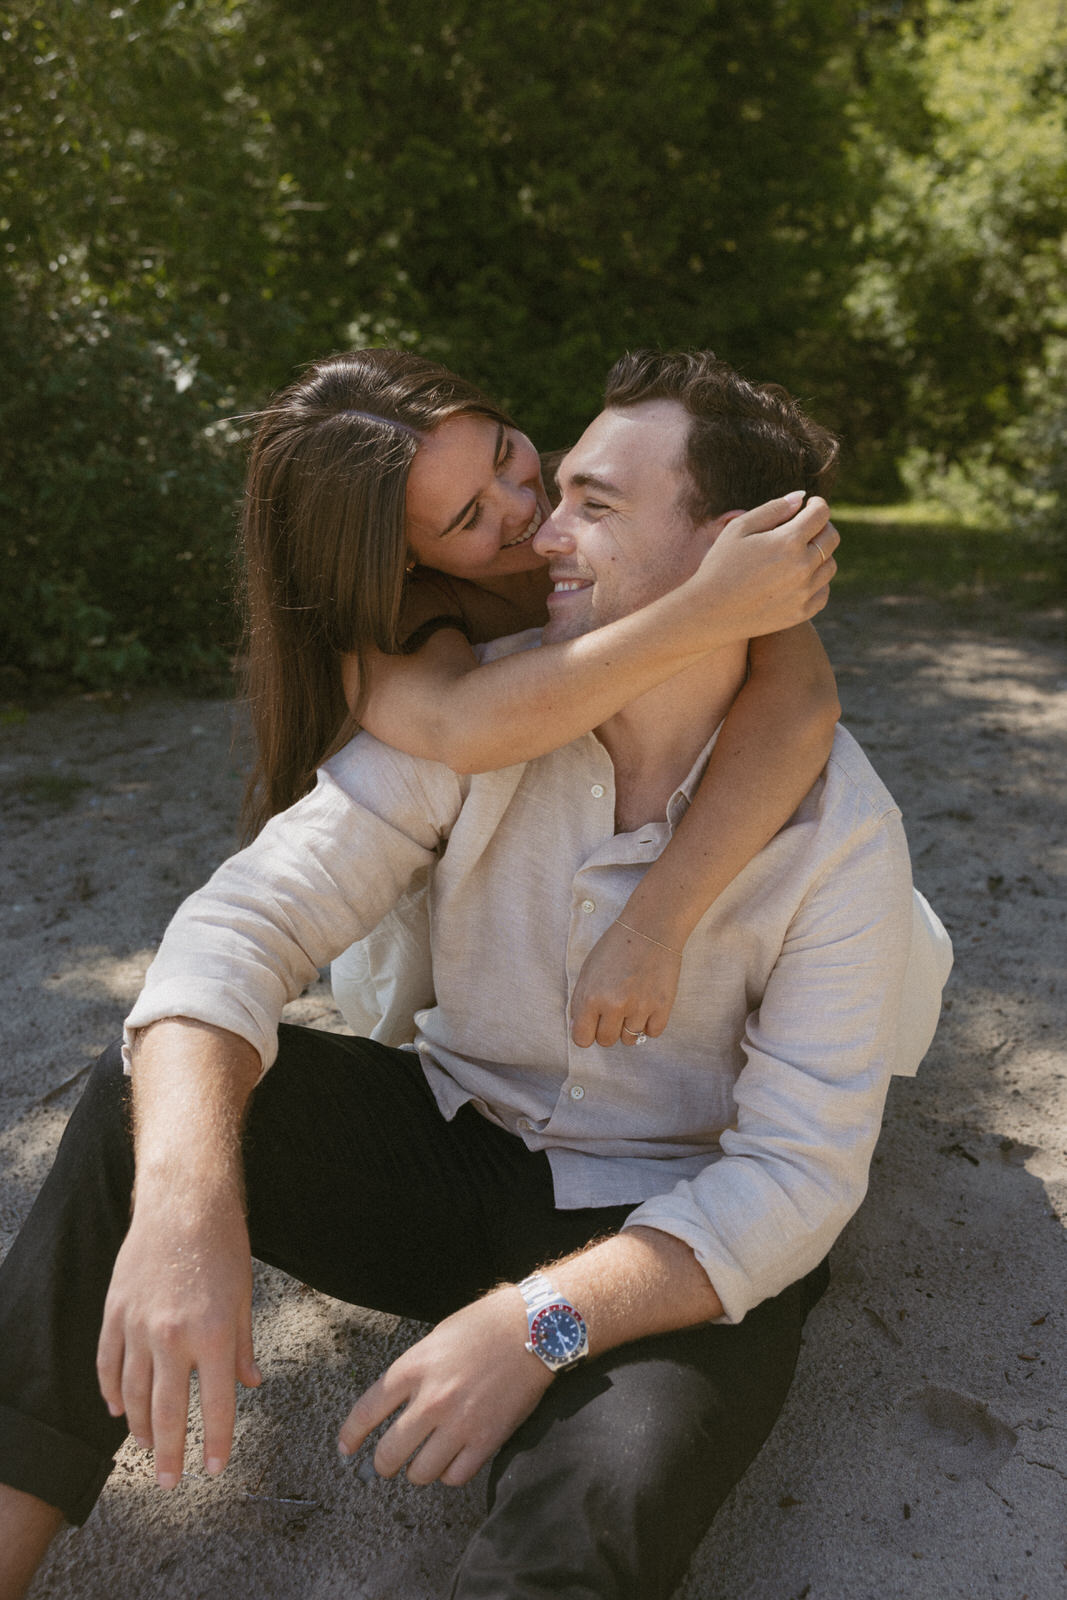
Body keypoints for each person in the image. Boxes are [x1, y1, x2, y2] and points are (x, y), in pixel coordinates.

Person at [0, 349, 951, 1600]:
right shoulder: (461, 698)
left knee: (602, 1499)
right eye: (537, 494)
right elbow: (239, 925)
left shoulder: (837, 829)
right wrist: (184, 1204)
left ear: (737, 552)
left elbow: (791, 1180)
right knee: (145, 1104)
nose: (537, 534)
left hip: (665, 1227)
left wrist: (535, 1324)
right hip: (455, 1144)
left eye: (586, 503)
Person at [238, 349, 842, 1048]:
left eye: (503, 455)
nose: (525, 508)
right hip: (477, 919)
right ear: (397, 556)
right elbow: (463, 729)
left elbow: (798, 702)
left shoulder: (610, 495)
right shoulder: (392, 622)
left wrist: (655, 922)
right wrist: (707, 606)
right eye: (469, 517)